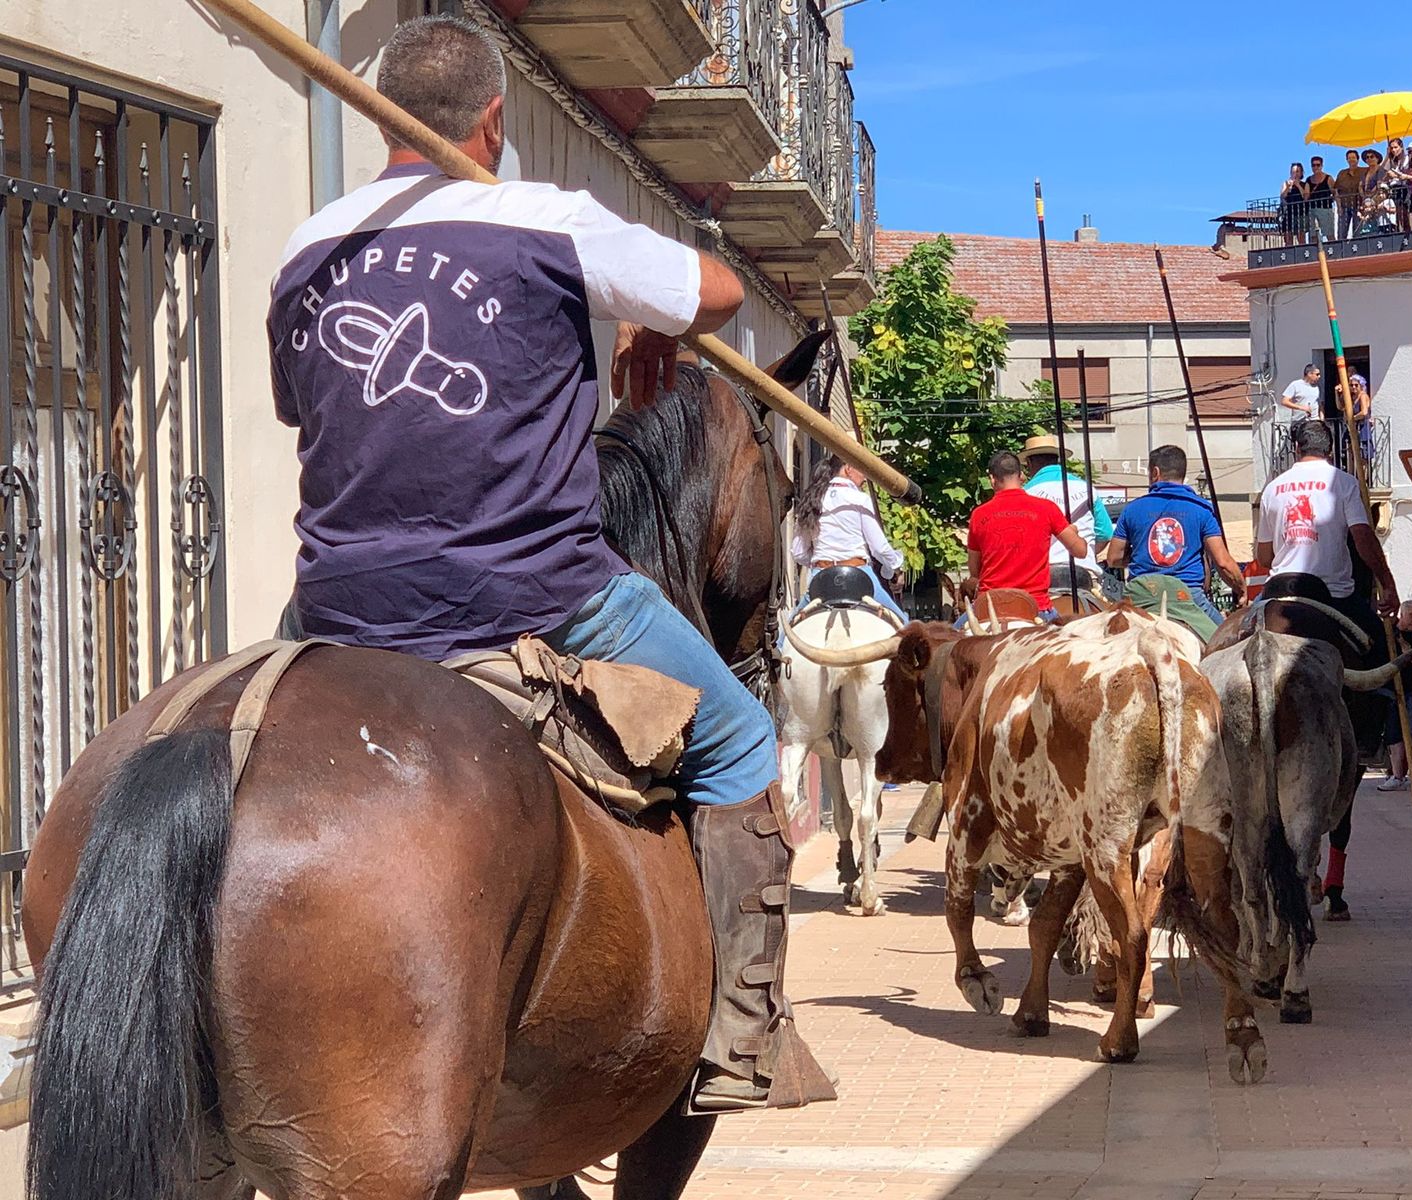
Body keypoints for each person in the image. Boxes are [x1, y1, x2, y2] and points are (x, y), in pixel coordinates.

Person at [267, 15, 830, 1113]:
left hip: (335, 603)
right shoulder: (543, 219)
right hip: (537, 591)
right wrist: (632, 320)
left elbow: (311, 410)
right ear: (494, 119)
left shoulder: (307, 247)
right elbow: (715, 294)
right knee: (743, 741)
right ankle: (736, 1038)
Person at [1255, 420, 1400, 646]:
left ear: (1296, 448)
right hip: (1332, 593)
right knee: (1379, 644)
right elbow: (1363, 538)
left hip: (1279, 590)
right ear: (1330, 450)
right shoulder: (1344, 483)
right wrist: (1387, 582)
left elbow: (1264, 558)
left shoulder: (1272, 489)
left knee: (1243, 631)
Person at [1104, 444, 1243, 641]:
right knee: (1227, 645)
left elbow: (1113, 558)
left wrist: (1139, 558)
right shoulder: (1202, 509)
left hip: (1141, 596)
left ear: (1155, 472)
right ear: (1183, 473)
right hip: (1187, 597)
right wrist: (1241, 589)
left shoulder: (1132, 509)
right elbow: (1222, 562)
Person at [966, 450, 1088, 620]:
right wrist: (1075, 533)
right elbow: (1080, 551)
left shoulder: (978, 515)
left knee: (949, 639)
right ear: (1021, 476)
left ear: (992, 479)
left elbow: (974, 571)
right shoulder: (1047, 508)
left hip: (990, 606)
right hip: (1037, 607)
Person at [791, 456, 906, 619]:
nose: (865, 477)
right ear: (848, 468)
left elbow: (798, 553)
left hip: (820, 579)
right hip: (859, 575)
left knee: (785, 636)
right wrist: (894, 565)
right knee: (904, 625)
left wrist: (822, 560)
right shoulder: (860, 499)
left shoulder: (812, 500)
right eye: (862, 470)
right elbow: (879, 548)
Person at [1020, 434, 1112, 599]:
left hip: (1041, 576)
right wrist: (1088, 551)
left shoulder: (1025, 493)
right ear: (1058, 460)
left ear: (1029, 463)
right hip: (1084, 572)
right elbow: (1105, 533)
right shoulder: (1087, 488)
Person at [1377, 600, 1412, 791]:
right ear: (1402, 614)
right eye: (1411, 616)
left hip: (1410, 689)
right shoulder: (1387, 632)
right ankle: (1397, 776)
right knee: (1393, 733)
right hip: (1389, 689)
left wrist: (1405, 647)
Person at [1357, 148, 1391, 233]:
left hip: (1377, 198)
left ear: (1377, 159)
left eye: (1371, 156)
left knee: (1377, 221)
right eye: (1367, 157)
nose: (1369, 159)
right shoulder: (1365, 172)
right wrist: (1364, 196)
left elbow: (1380, 183)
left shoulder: (1381, 170)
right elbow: (1360, 185)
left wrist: (1372, 197)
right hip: (1366, 200)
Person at [1306, 156, 1337, 244]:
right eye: (1313, 165)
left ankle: (1333, 250)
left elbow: (1335, 192)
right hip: (1312, 210)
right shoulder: (1309, 180)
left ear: (1322, 166)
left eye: (1318, 165)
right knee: (1313, 236)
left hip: (1326, 209)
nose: (1315, 167)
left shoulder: (1328, 178)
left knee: (1329, 234)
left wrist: (1336, 203)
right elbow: (1306, 196)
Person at [1334, 149, 1364, 240]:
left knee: (1358, 232)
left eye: (1353, 158)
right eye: (1349, 158)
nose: (1351, 160)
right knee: (1342, 233)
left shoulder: (1364, 171)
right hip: (1344, 207)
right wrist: (1339, 206)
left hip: (1358, 206)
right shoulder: (1342, 173)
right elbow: (1336, 191)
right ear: (1346, 160)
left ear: (1358, 159)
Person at [1279, 163, 1309, 246]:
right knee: (1288, 238)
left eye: (1297, 171)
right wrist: (1288, 188)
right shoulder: (1285, 184)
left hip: (1300, 213)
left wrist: (1298, 186)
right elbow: (1282, 197)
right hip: (1288, 214)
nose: (1295, 174)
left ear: (1301, 173)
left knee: (1301, 238)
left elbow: (1306, 197)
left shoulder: (1305, 184)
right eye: (1293, 172)